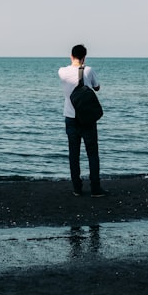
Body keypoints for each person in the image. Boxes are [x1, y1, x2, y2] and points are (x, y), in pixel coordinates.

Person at [58, 44, 107, 197]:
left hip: (70, 118)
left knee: (74, 154)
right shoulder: (89, 70)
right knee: (92, 153)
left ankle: (77, 188)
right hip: (87, 119)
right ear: (84, 56)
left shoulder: (62, 72)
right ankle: (95, 189)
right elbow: (97, 87)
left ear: (71, 56)